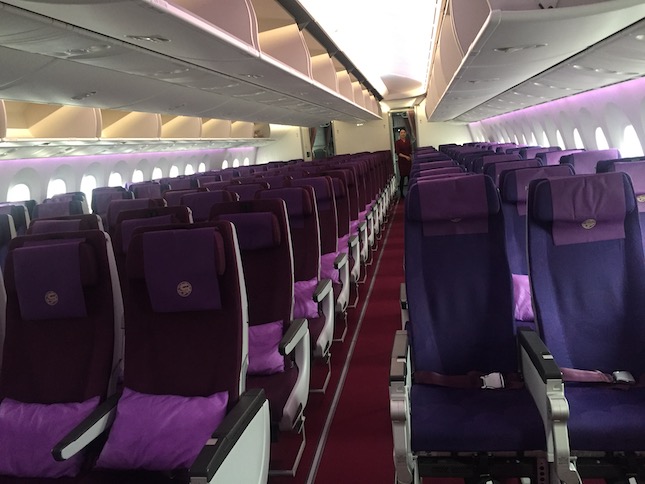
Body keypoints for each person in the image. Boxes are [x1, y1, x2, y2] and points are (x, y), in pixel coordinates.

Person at [395, 128, 412, 198]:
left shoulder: (408, 141)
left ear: (406, 133)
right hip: (402, 162)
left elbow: (410, 151)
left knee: (409, 177)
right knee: (402, 177)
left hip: (408, 162)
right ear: (400, 134)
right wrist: (406, 157)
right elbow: (398, 153)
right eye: (401, 133)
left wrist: (410, 157)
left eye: (404, 132)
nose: (403, 134)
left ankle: (410, 191)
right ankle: (401, 193)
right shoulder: (397, 143)